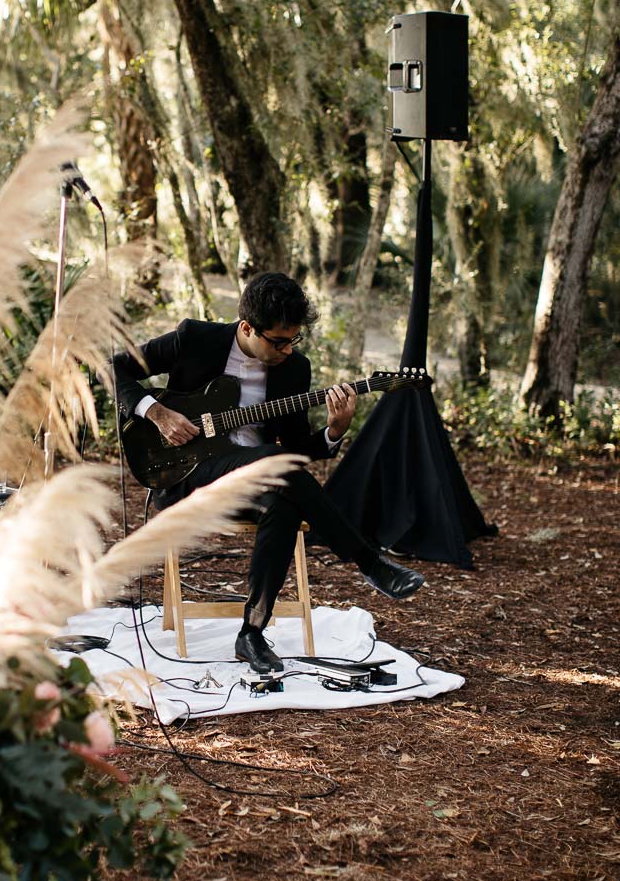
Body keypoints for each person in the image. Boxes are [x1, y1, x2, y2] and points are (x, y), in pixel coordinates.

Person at [112, 271, 425, 673]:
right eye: (278, 341)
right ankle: (369, 563)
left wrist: (333, 431)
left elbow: (294, 452)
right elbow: (113, 369)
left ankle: (252, 633)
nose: (287, 350)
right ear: (247, 327)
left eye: (294, 339)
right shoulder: (196, 338)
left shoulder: (294, 369)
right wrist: (155, 413)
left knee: (283, 499)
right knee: (270, 462)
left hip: (254, 477)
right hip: (184, 473)